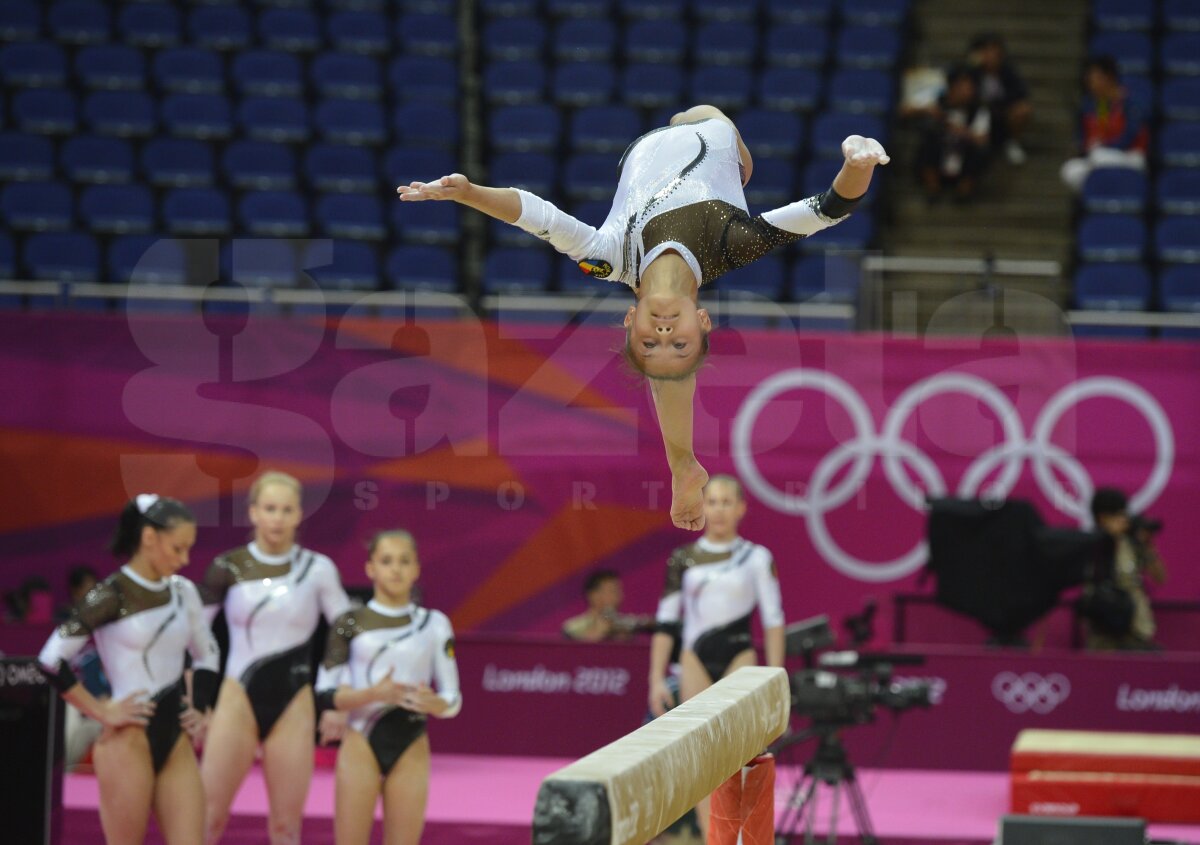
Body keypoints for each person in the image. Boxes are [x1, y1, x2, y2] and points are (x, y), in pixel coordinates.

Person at [397, 104, 888, 531]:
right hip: (716, 135)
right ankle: (684, 463)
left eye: (650, 342)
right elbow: (829, 209)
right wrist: (857, 163)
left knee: (668, 378)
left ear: (630, 320)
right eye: (681, 342)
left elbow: (536, 215)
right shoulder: (731, 244)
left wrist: (467, 192)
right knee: (715, 132)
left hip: (641, 149)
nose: (666, 333)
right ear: (704, 321)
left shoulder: (608, 259)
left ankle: (682, 463)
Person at [38, 495, 220, 844]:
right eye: (177, 548)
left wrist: (202, 705)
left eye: (189, 549)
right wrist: (102, 710)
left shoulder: (185, 593)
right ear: (149, 537)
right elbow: (50, 660)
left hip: (175, 741)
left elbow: (207, 652)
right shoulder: (108, 594)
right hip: (127, 741)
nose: (185, 559)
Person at [199, 471, 353, 845]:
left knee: (286, 828)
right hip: (236, 700)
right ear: (253, 512)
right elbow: (196, 636)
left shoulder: (318, 570)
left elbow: (346, 631)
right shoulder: (228, 566)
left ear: (299, 514)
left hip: (294, 705)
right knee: (207, 818)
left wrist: (336, 699)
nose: (277, 518)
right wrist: (199, 701)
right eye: (269, 508)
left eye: (286, 510)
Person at [646, 474, 785, 837]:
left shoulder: (756, 558)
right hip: (694, 662)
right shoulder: (683, 559)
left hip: (739, 658)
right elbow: (666, 622)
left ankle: (742, 836)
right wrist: (656, 677)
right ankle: (714, 837)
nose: (719, 510)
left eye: (727, 502)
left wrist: (775, 679)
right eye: (712, 502)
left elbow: (773, 621)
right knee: (702, 760)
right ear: (702, 507)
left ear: (741, 508)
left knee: (742, 756)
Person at [315, 530, 461, 845]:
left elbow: (453, 698)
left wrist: (434, 703)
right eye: (386, 561)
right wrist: (372, 695)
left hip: (410, 741)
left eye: (404, 561)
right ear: (370, 568)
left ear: (417, 569)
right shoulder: (349, 622)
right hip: (360, 743)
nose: (395, 569)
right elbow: (325, 694)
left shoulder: (434, 624)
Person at [1083, 488, 1166, 651]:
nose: (1124, 520)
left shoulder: (1132, 544)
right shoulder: (1089, 545)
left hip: (1136, 628)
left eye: (1124, 514)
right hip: (1104, 631)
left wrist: (1147, 545)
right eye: (1118, 515)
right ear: (1102, 518)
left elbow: (1161, 577)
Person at [1060, 55, 1149, 193]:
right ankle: (1098, 195)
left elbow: (1130, 136)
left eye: (1094, 79)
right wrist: (1086, 144)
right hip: (1102, 156)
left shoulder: (1131, 103)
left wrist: (1105, 145)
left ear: (1108, 78)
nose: (1090, 84)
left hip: (1131, 156)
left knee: (1098, 155)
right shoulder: (1100, 105)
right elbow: (1098, 134)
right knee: (1070, 170)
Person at [909, 64, 992, 202]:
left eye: (970, 87)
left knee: (981, 152)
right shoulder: (937, 101)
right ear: (952, 87)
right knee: (928, 140)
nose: (967, 91)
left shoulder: (979, 110)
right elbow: (905, 110)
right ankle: (933, 188)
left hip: (963, 157)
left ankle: (964, 191)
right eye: (962, 86)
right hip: (939, 154)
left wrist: (958, 130)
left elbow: (982, 140)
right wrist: (927, 111)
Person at [968, 33, 1032, 165]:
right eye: (985, 51)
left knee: (1023, 109)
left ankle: (1011, 143)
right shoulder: (971, 72)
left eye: (993, 51)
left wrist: (999, 105)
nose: (990, 56)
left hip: (1001, 114)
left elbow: (1021, 93)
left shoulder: (1007, 72)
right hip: (975, 115)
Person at [562, 569, 653, 642]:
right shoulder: (573, 626)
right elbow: (574, 653)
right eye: (613, 591)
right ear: (593, 595)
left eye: (619, 591)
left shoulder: (624, 623)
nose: (620, 596)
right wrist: (601, 630)